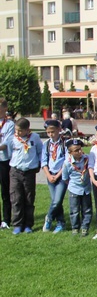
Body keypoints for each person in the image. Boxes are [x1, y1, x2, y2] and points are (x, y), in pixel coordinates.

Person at [0, 118, 43, 234]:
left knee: (29, 199)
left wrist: (38, 165)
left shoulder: (35, 138)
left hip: (29, 172)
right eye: (16, 130)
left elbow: (40, 152)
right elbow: (9, 153)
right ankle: (17, 224)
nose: (17, 132)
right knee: (16, 198)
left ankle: (28, 224)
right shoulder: (12, 139)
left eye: (20, 131)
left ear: (27, 130)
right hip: (15, 171)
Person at [41, 119, 68, 233]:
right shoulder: (46, 144)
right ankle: (61, 223)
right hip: (50, 175)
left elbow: (67, 161)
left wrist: (57, 176)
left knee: (57, 201)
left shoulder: (65, 143)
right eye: (48, 132)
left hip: (61, 176)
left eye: (53, 131)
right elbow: (43, 161)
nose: (51, 134)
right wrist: (48, 175)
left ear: (59, 130)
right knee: (56, 201)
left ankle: (49, 217)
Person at [62, 138, 93, 235]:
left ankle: (85, 227)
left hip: (86, 189)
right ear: (70, 152)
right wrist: (72, 186)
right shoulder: (67, 163)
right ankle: (75, 227)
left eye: (80, 149)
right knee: (74, 210)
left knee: (87, 209)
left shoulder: (87, 159)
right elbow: (65, 178)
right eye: (76, 150)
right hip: (74, 189)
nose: (79, 152)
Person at [0, 97, 14, 229]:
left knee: (5, 191)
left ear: (5, 109)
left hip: (4, 160)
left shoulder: (9, 124)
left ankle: (7, 219)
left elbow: (6, 143)